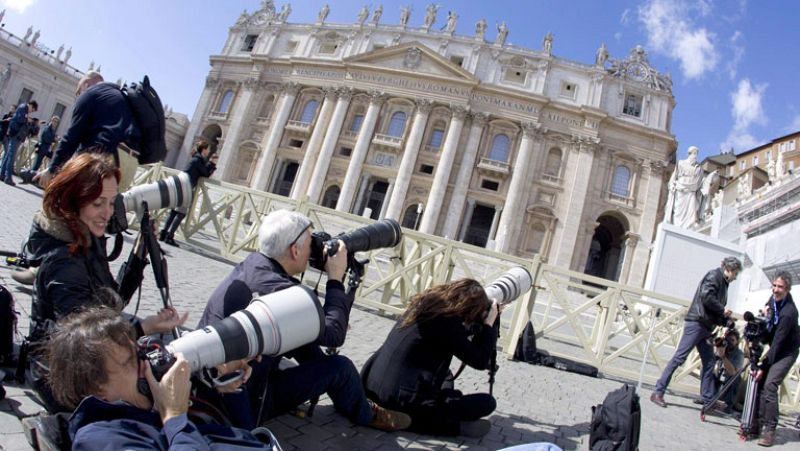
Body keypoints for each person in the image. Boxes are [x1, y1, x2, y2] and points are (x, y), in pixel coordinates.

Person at [198, 209, 411, 431]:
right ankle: (366, 414)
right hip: (244, 398)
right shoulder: (282, 292)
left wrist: (319, 322)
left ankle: (348, 394)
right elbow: (334, 336)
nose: (315, 249)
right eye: (312, 242)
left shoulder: (253, 264)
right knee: (341, 367)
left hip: (209, 383)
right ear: (295, 250)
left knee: (305, 339)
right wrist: (336, 279)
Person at [46, 307, 277, 450]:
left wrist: (216, 377)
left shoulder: (138, 408)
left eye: (139, 353)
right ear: (98, 389)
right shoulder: (101, 438)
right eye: (130, 363)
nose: (145, 365)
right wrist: (175, 417)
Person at [26, 152, 185, 342]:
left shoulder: (87, 237)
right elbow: (86, 341)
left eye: (111, 203)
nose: (108, 213)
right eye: (98, 203)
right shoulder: (62, 260)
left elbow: (111, 303)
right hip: (55, 366)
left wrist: (139, 251)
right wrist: (142, 328)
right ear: (73, 199)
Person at [362, 279, 500, 437]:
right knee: (487, 403)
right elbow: (480, 360)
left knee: (446, 375)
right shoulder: (449, 323)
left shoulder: (428, 304)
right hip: (399, 401)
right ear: (470, 308)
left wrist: (480, 321)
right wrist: (489, 324)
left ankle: (440, 414)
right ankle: (450, 426)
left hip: (370, 386)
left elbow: (457, 336)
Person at [651, 257, 742, 408]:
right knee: (679, 357)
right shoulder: (714, 276)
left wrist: (726, 320)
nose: (735, 277)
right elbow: (706, 297)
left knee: (709, 362)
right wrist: (723, 310)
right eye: (735, 274)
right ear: (730, 270)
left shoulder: (723, 283)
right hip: (697, 323)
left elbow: (712, 308)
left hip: (706, 327)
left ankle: (708, 399)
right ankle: (658, 392)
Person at [34, 71, 137, 190]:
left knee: (75, 201)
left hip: (106, 158)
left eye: (78, 92)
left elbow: (72, 137)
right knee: (108, 205)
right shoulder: (122, 97)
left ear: (86, 84)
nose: (78, 96)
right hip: (130, 162)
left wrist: (52, 169)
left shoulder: (90, 94)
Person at [753, 271, 800, 446]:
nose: (775, 290)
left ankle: (770, 430)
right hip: (775, 347)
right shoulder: (772, 302)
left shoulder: (789, 312)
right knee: (760, 382)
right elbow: (767, 330)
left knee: (770, 384)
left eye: (780, 287)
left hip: (787, 351)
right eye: (774, 285)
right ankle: (755, 423)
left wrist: (763, 365)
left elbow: (779, 342)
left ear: (787, 289)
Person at [159, 140, 217, 247]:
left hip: (179, 182)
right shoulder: (199, 160)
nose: (209, 151)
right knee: (181, 213)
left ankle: (163, 233)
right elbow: (205, 174)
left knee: (174, 212)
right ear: (203, 149)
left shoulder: (196, 158)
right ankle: (169, 236)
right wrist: (212, 164)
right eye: (208, 149)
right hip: (186, 185)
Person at [664, 145, 704, 229]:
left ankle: (688, 226)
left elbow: (699, 181)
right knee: (678, 210)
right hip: (680, 189)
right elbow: (674, 177)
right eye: (694, 153)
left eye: (696, 154)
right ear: (689, 154)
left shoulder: (698, 167)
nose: (695, 156)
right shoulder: (681, 163)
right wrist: (672, 185)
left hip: (691, 191)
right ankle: (676, 224)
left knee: (691, 211)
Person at [0, 99, 38, 185]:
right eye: (32, 110)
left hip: (16, 135)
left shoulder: (23, 109)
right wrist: (27, 119)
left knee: (9, 156)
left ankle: (2, 175)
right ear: (31, 106)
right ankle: (8, 177)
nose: (31, 111)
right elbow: (20, 119)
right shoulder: (23, 108)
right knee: (11, 157)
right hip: (16, 135)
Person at [712, 327, 744, 415]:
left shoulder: (739, 354)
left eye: (732, 340)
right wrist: (717, 349)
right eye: (728, 340)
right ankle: (707, 398)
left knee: (735, 378)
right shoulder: (722, 348)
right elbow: (710, 363)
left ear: (737, 341)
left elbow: (733, 372)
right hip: (719, 379)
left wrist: (723, 357)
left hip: (729, 381)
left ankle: (727, 406)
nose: (730, 343)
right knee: (707, 371)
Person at [21, 115, 60, 181]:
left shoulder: (53, 130)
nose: (55, 123)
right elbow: (45, 138)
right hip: (43, 147)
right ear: (51, 120)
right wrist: (54, 139)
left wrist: (54, 139)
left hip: (46, 148)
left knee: (39, 163)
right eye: (54, 121)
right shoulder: (48, 128)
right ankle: (29, 176)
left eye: (56, 122)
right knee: (37, 163)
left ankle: (30, 176)